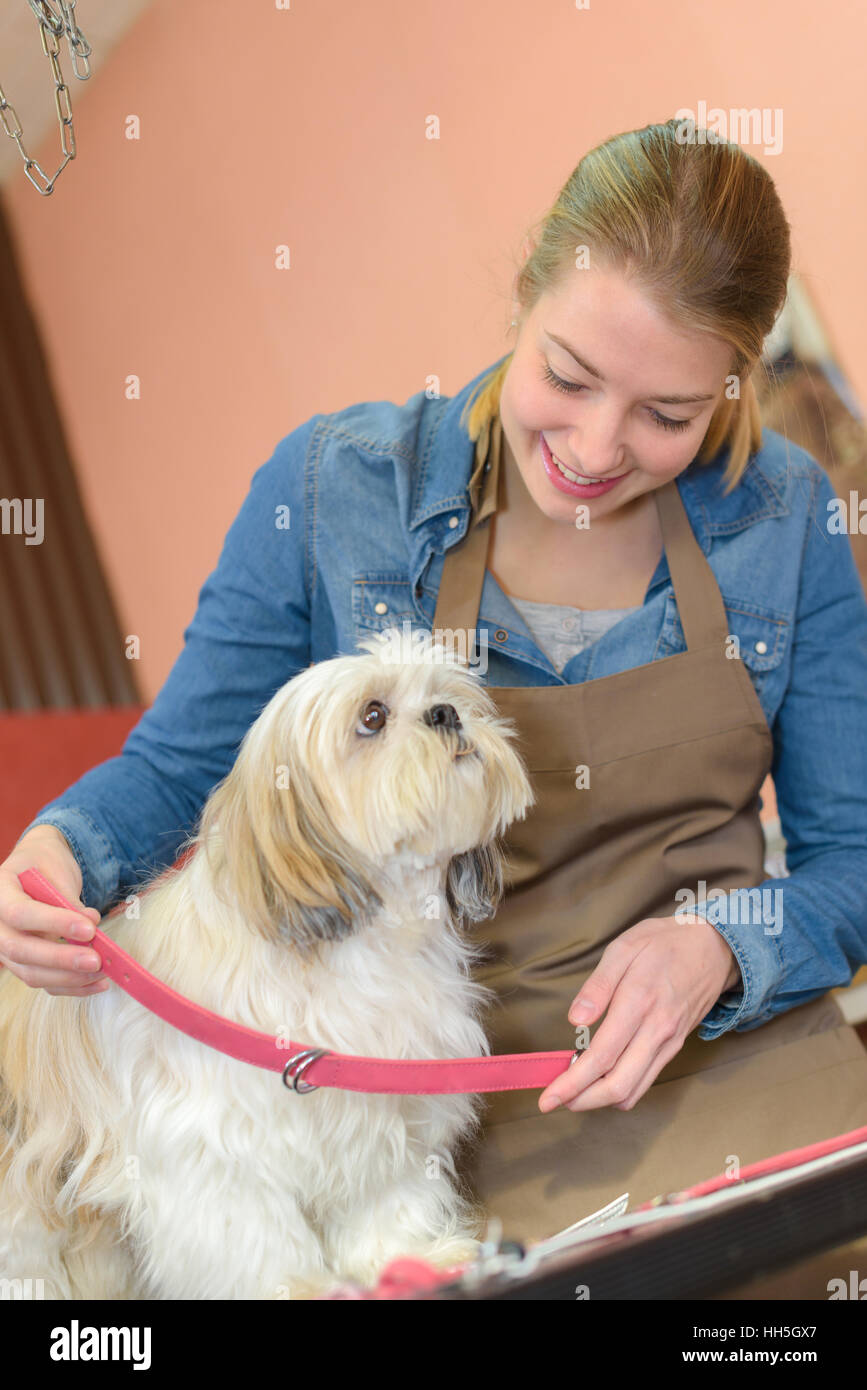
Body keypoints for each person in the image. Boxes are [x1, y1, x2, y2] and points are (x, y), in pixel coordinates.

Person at [4, 119, 867, 1287]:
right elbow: (174, 776)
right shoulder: (332, 490)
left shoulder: (786, 515)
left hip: (751, 1081)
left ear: (732, 383)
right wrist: (59, 851)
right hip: (438, 1123)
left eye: (670, 414)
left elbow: (853, 862)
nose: (597, 447)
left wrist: (722, 940)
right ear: (523, 295)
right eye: (566, 375)